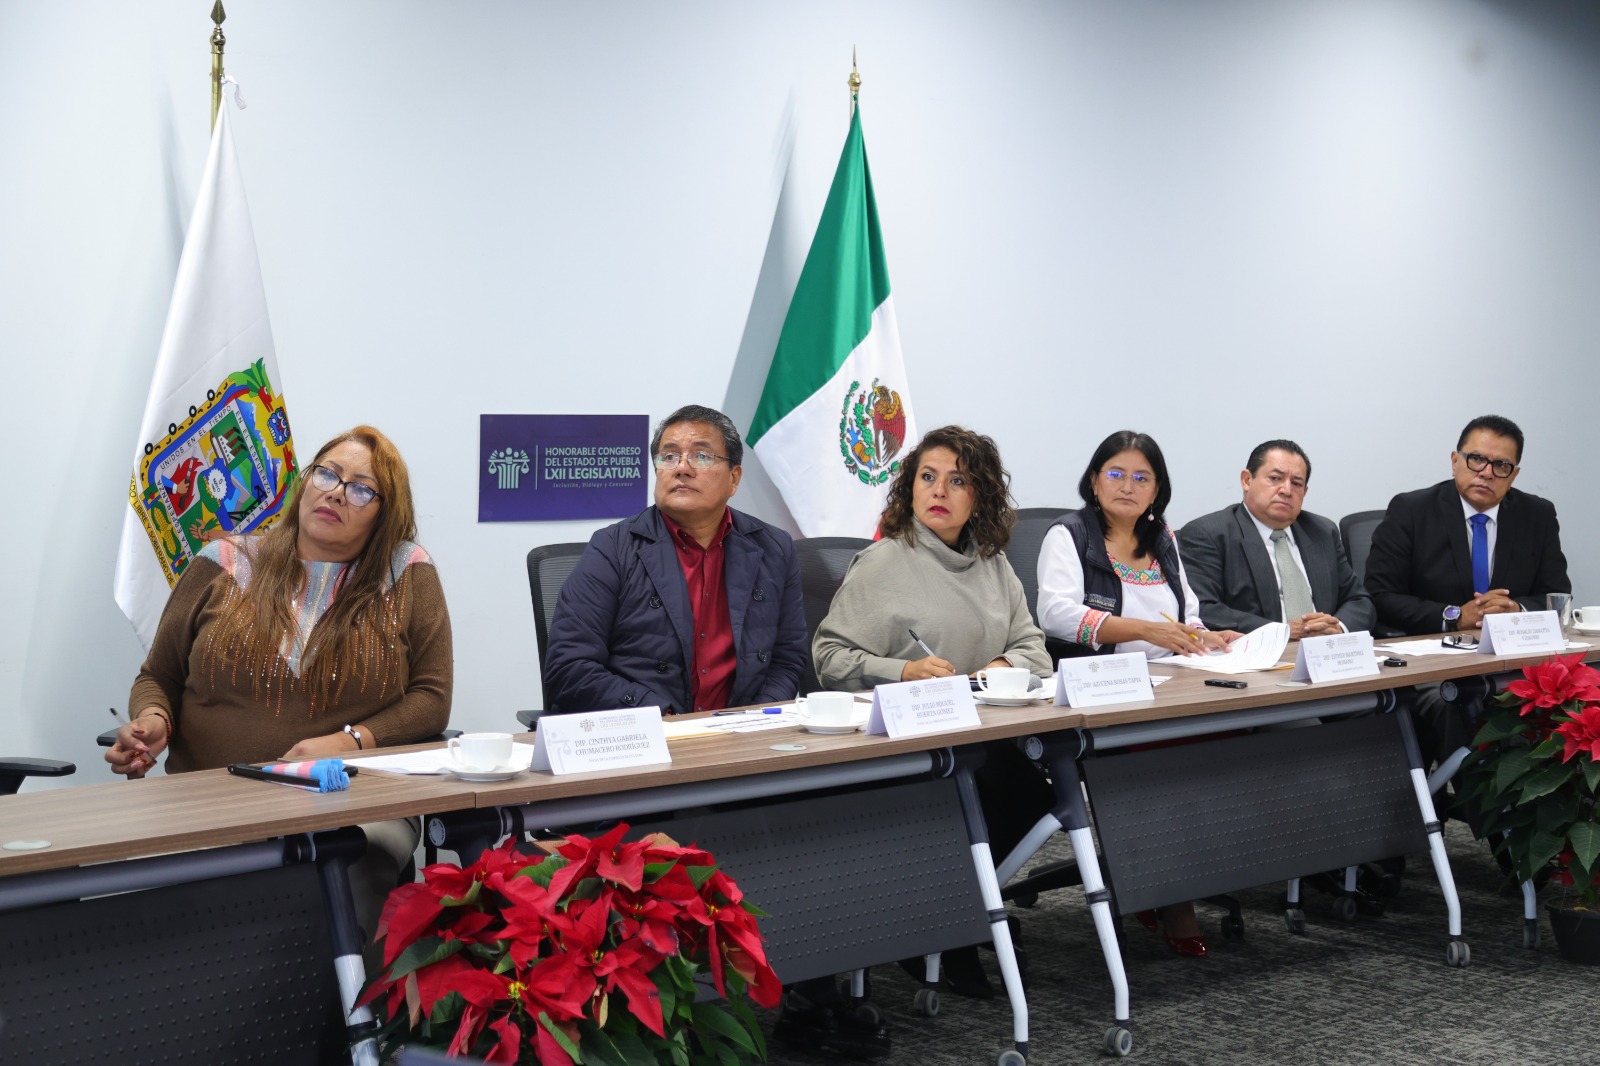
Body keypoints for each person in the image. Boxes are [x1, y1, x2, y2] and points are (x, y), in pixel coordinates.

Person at [106, 425, 453, 935]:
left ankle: (346, 992)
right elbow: (159, 675)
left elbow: (431, 697)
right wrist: (154, 719)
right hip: (207, 799)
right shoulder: (223, 562)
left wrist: (348, 742)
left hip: (353, 802)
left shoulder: (406, 574)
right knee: (133, 905)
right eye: (327, 474)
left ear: (387, 513)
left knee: (341, 880)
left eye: (361, 489)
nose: (336, 492)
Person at [813, 425, 1052, 1003]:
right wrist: (903, 671)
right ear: (910, 487)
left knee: (1036, 799)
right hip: (906, 740)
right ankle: (946, 926)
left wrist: (1001, 663)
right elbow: (828, 657)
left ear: (980, 496)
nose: (939, 491)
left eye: (957, 480)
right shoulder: (884, 562)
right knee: (977, 796)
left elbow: (1034, 648)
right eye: (927, 477)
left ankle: (946, 916)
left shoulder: (993, 563)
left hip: (979, 732)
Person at [1036, 430, 1237, 957]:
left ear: (1156, 490)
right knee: (1170, 753)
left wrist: (1207, 636)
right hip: (1101, 689)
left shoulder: (1162, 537)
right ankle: (1173, 896)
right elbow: (1055, 615)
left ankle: (1174, 874)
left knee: (1232, 738)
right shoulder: (1069, 534)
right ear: (1094, 481)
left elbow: (1186, 615)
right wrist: (1144, 631)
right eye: (1116, 473)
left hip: (1170, 684)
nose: (1128, 485)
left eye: (1142, 477)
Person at [542, 404, 807, 715]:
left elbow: (787, 659)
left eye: (701, 456)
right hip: (648, 729)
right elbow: (569, 667)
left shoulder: (774, 547)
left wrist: (757, 720)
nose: (682, 468)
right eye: (669, 456)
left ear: (734, 478)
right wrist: (662, 718)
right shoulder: (613, 547)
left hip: (744, 730)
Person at [1364, 414, 1571, 763]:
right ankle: (1477, 799)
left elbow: (1557, 595)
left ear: (1514, 474)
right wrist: (1453, 616)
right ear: (1455, 460)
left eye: (1501, 466)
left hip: (1512, 661)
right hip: (1435, 665)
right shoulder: (1411, 510)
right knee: (1457, 704)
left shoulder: (1537, 514)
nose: (1486, 473)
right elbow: (1380, 596)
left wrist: (1516, 610)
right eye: (1477, 459)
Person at [1180, 439, 1375, 637]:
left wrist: (1337, 628)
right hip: (1258, 651)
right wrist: (1283, 632)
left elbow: (1360, 601)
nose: (1286, 490)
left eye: (1296, 483)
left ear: (1305, 492)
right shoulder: (1209, 534)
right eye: (1275, 478)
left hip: (1326, 648)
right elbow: (1204, 609)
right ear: (1247, 480)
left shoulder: (1322, 531)